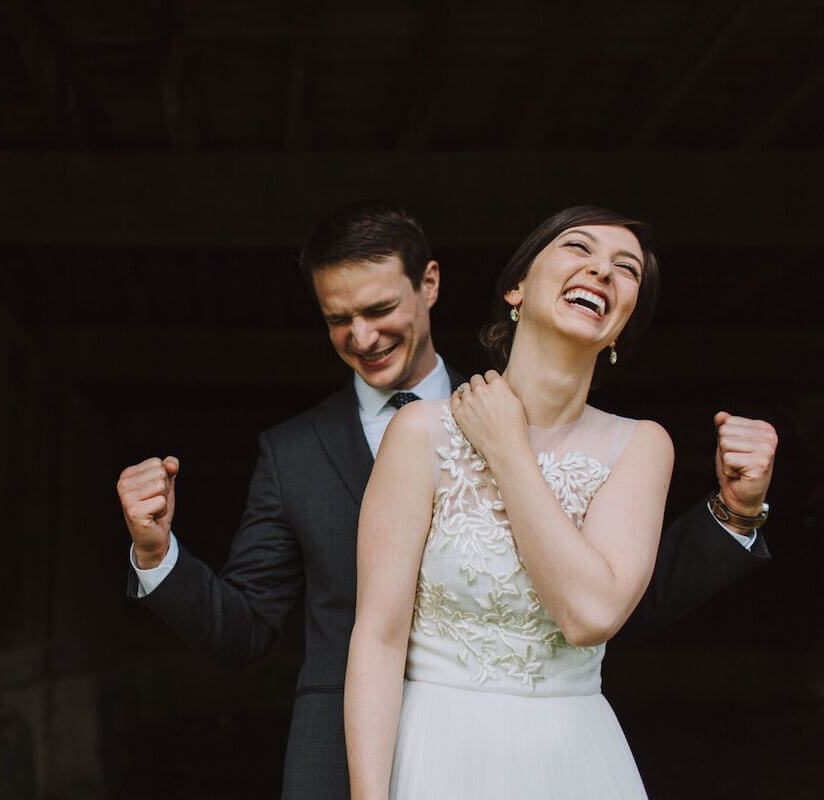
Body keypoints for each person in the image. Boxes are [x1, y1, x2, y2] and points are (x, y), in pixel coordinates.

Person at [116, 200, 776, 799]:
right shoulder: (298, 451)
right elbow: (253, 625)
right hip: (371, 757)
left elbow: (618, 599)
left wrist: (735, 513)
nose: (363, 336)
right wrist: (156, 553)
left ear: (430, 285)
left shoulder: (613, 437)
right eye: (338, 320)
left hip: (563, 749)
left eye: (378, 311)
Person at [343, 206, 778, 799]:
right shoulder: (420, 433)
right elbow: (379, 637)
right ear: (516, 288)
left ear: (622, 324)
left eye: (626, 269)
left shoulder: (641, 445)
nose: (601, 270)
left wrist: (507, 450)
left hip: (574, 756)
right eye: (578, 248)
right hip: (437, 746)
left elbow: (591, 614)